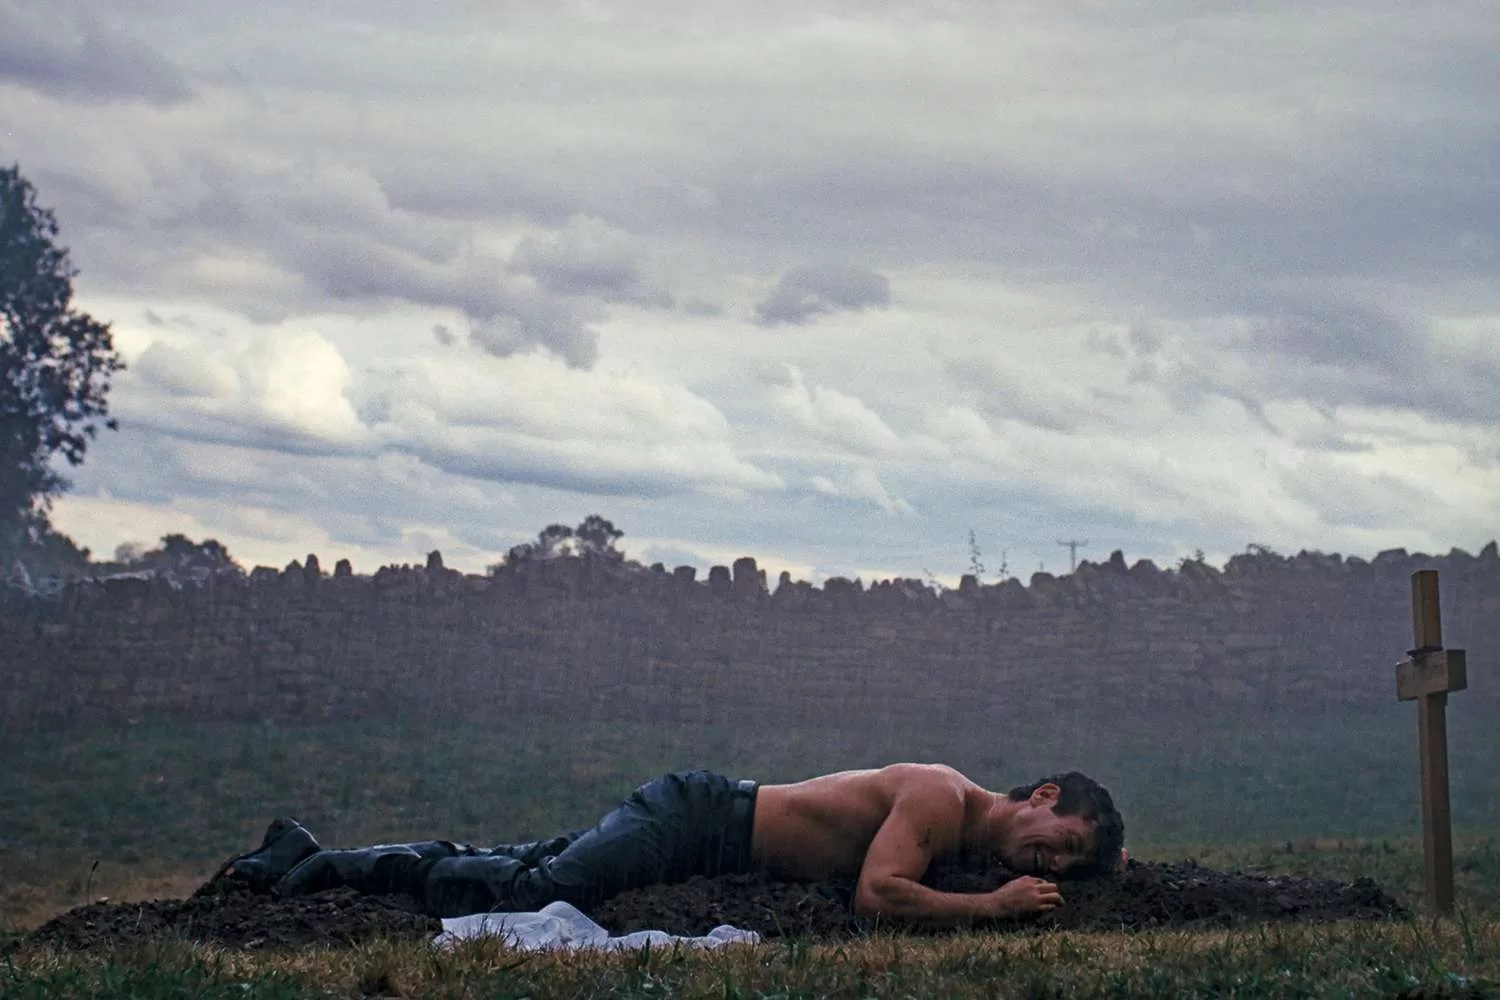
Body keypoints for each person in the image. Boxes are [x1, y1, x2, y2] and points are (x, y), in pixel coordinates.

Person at [213, 763, 1125, 927]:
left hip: (700, 838)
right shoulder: (937, 795)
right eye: (1063, 840)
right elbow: (878, 896)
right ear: (1042, 794)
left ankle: (314, 852)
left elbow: (1102, 858)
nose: (1055, 865)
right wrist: (992, 909)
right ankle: (317, 866)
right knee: (534, 897)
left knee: (530, 862)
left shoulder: (969, 833)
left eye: (1069, 867)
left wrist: (1107, 861)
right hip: (699, 819)